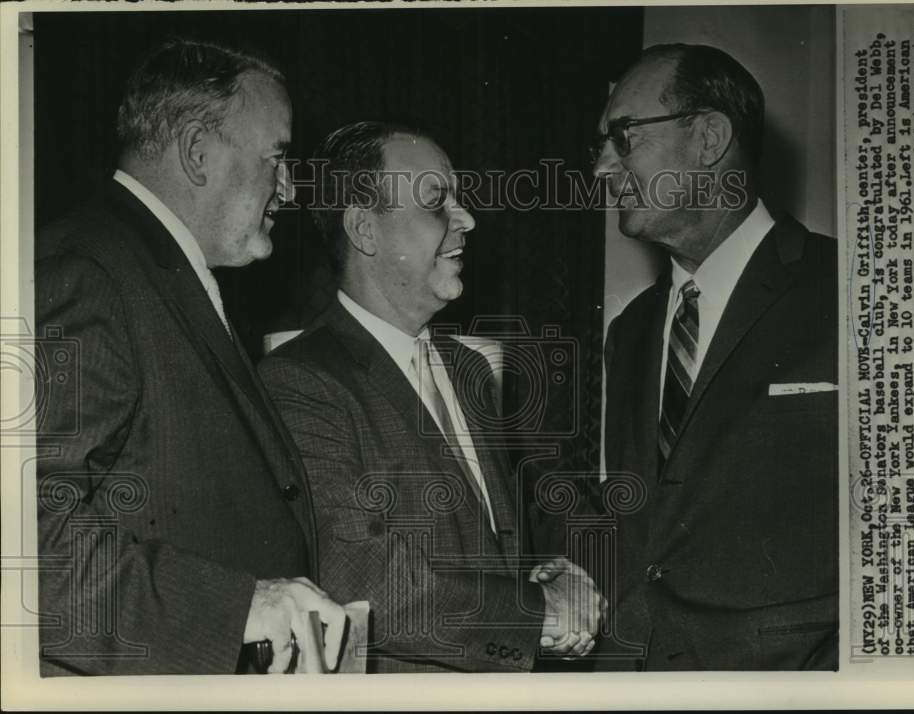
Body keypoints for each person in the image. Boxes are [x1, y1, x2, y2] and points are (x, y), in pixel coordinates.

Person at [35, 38, 345, 675]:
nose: (288, 188)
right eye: (278, 158)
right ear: (199, 153)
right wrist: (237, 611)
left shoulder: (156, 269)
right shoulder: (86, 272)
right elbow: (21, 543)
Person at [258, 121, 603, 672]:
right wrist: (538, 614)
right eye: (437, 202)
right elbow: (361, 577)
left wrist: (550, 576)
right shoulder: (298, 383)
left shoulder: (468, 368)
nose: (466, 219)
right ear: (365, 229)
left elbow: (485, 546)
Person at [594, 44, 838, 670]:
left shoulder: (856, 292)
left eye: (623, 138)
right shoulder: (631, 330)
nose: (601, 167)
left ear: (708, 138)